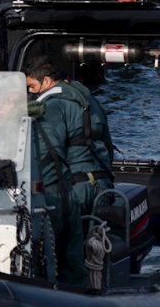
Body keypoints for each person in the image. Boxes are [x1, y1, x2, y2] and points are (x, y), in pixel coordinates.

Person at [26, 55, 114, 286]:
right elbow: (106, 144)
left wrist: (48, 196)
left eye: (32, 87)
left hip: (75, 189)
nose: (31, 93)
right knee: (96, 251)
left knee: (68, 256)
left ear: (46, 82)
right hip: (102, 186)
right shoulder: (88, 99)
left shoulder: (52, 107)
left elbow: (49, 157)